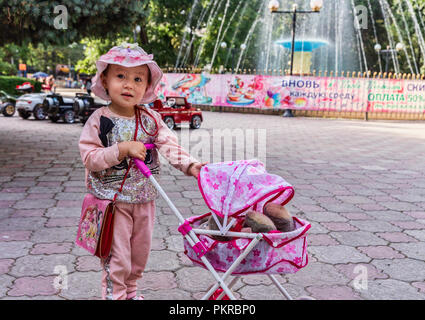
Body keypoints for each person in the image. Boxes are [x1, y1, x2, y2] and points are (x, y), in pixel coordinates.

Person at [78, 42, 207, 300]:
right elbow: (90, 158)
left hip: (145, 201)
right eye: (121, 76)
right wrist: (121, 149)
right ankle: (116, 296)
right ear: (104, 79)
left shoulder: (150, 118)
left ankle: (133, 292)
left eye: (138, 79)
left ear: (147, 86)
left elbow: (169, 144)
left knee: (139, 255)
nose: (129, 85)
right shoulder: (99, 119)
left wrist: (190, 164)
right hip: (112, 203)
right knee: (117, 258)